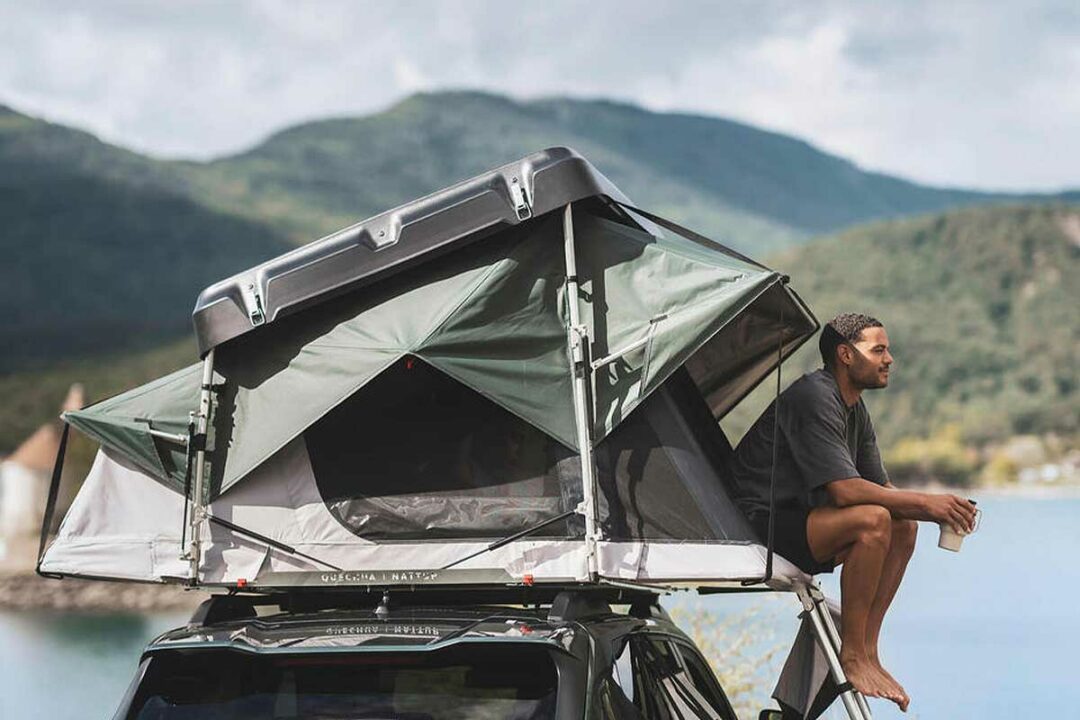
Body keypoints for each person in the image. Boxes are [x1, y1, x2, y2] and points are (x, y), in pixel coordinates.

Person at [729, 313, 977, 712]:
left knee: (903, 526)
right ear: (845, 354)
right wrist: (929, 503)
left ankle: (866, 649)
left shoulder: (854, 409)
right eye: (878, 349)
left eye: (887, 349)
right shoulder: (814, 396)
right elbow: (845, 492)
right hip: (756, 520)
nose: (889, 358)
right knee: (873, 521)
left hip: (801, 520)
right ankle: (853, 655)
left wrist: (933, 509)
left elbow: (880, 488)